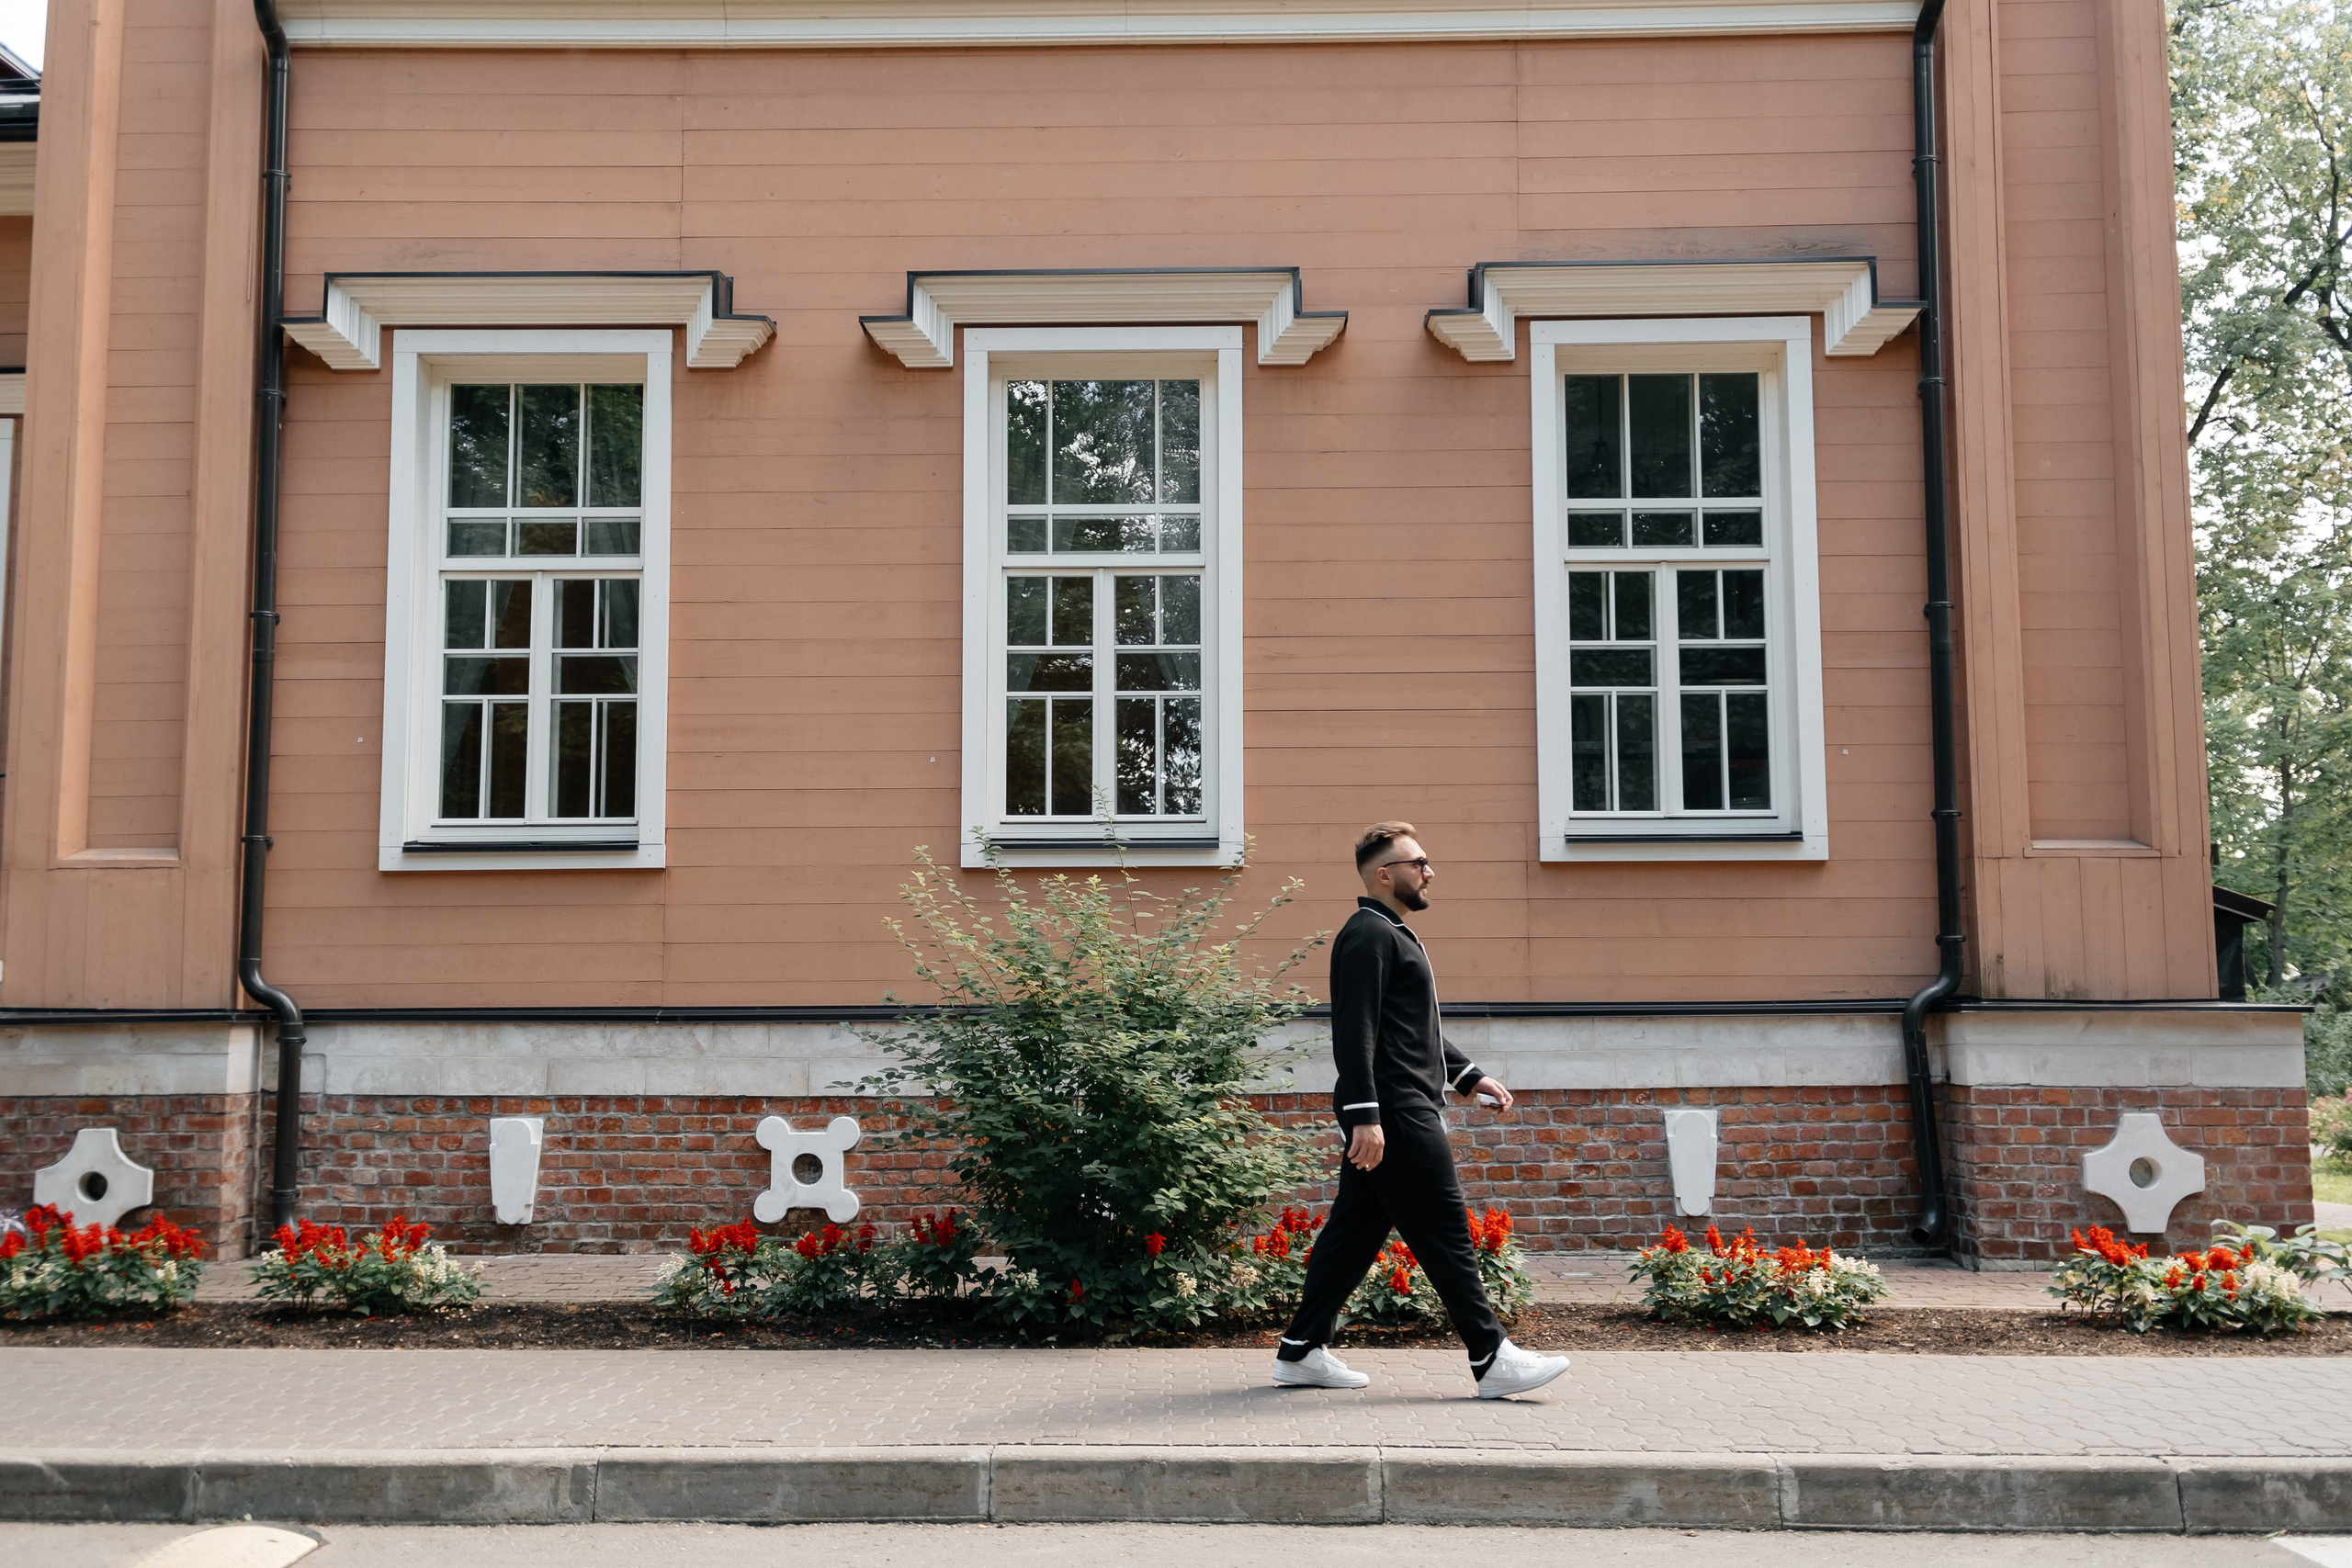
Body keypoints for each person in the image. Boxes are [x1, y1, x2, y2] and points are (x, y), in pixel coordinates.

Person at [1271, 821, 1571, 1400]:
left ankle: (1301, 1350)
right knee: (1446, 1229)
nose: (1429, 873)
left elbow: (1410, 1028)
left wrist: (1468, 1075)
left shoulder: (1391, 933)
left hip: (1398, 1101)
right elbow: (1354, 1032)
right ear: (1385, 875)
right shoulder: (1368, 934)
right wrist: (1365, 1114)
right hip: (1395, 1109)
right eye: (1419, 863)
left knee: (1354, 1233)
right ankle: (1491, 1357)